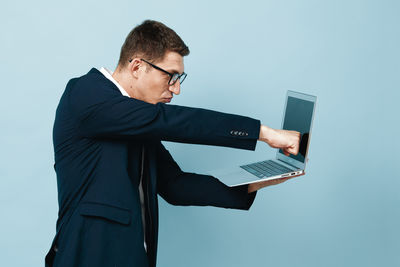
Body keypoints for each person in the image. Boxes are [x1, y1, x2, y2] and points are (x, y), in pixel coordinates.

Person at [45, 19, 302, 267]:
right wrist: (263, 132)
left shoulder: (136, 120)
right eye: (171, 76)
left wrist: (259, 180)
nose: (175, 89)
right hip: (87, 257)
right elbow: (170, 121)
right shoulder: (86, 94)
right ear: (137, 67)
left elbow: (175, 185)